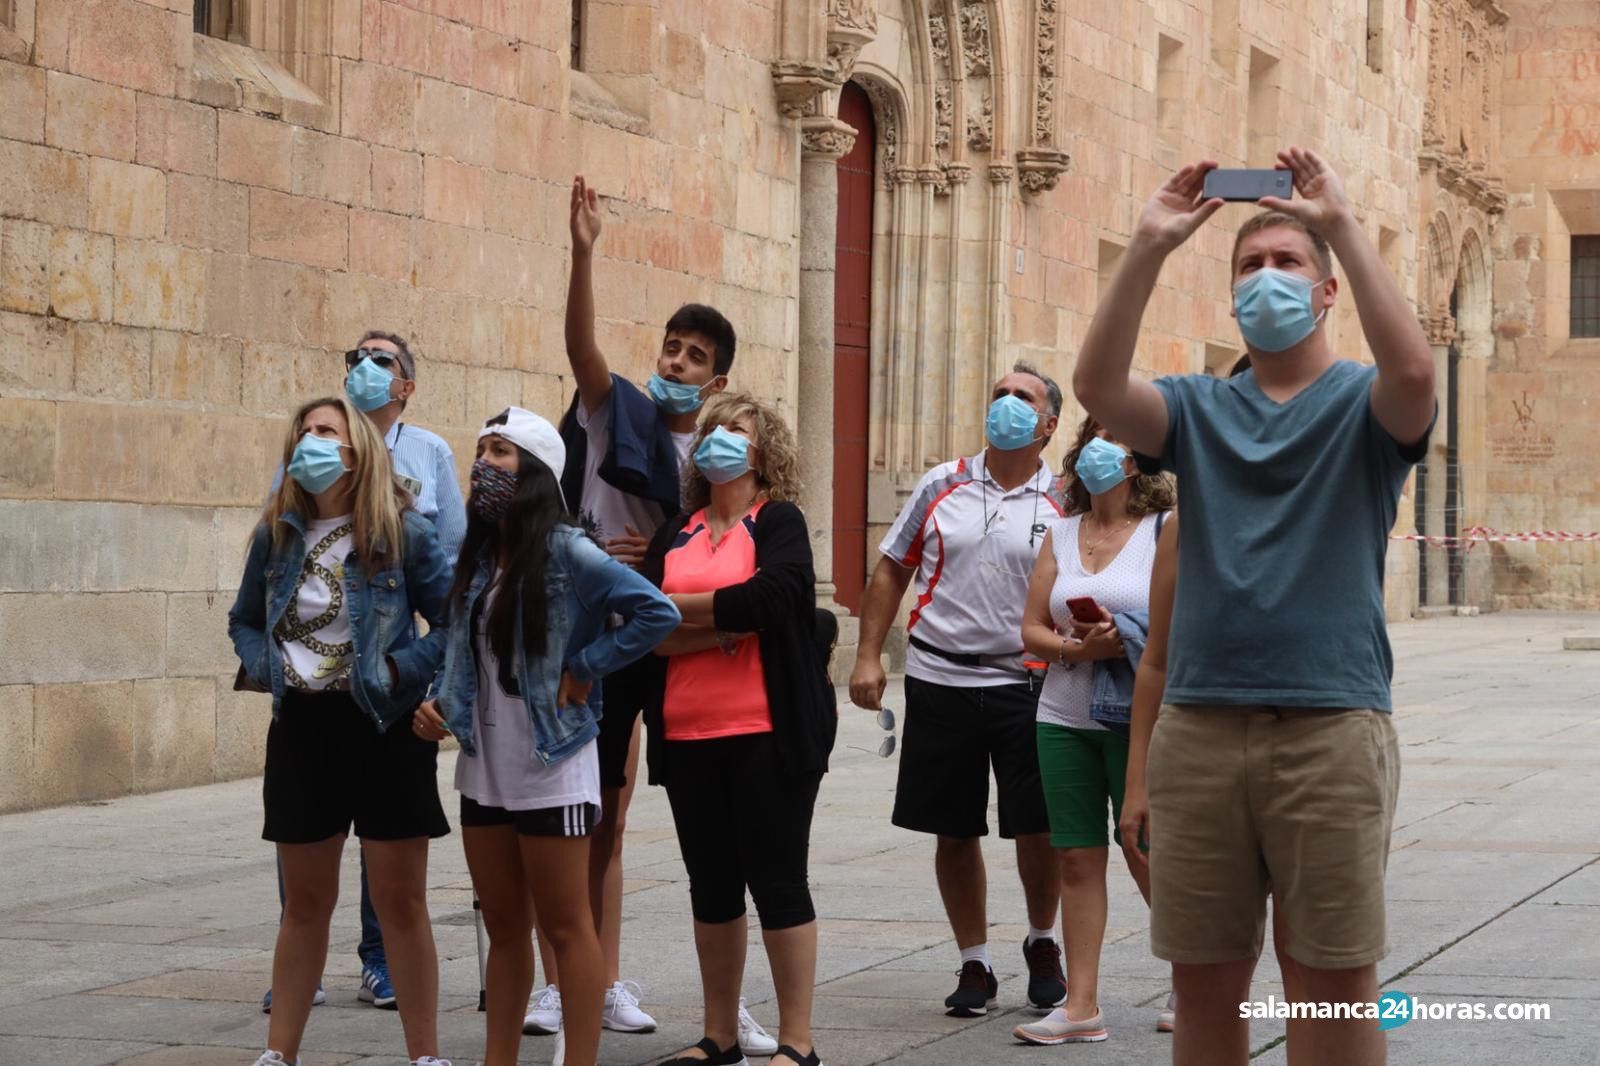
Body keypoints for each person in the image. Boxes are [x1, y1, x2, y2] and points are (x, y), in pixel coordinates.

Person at [1073, 148, 1435, 1066]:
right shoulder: (1197, 409)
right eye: (1248, 266)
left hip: (1331, 726)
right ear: (1229, 293)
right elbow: (1098, 392)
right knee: (1203, 989)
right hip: (1201, 730)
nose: (1266, 278)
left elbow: (1419, 379)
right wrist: (1150, 246)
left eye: (1287, 264)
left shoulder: (1362, 404)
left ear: (1325, 294)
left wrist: (1344, 226)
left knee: (1333, 991)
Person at [546, 174, 775, 1052]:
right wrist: (584, 253)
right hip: (606, 633)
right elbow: (583, 352)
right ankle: (581, 979)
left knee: (704, 823)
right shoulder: (621, 415)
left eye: (690, 355)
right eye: (669, 348)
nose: (673, 362)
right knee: (591, 807)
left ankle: (726, 1003)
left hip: (680, 641)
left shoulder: (728, 449)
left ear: (718, 375)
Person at [411, 407, 680, 1066]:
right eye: (480, 452)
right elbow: (461, 650)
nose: (483, 466)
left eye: (499, 452)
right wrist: (439, 703)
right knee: (504, 928)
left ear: (534, 471)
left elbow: (656, 611)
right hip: (484, 766)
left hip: (552, 761)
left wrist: (585, 669)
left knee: (565, 926)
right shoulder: (476, 563)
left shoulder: (568, 549)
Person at [228, 396, 455, 1066]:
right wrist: (268, 662)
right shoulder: (277, 534)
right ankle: (280, 1054)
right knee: (305, 904)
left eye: (325, 431)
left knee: (400, 902)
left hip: (384, 724)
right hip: (302, 725)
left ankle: (425, 1055)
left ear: (357, 448)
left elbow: (450, 624)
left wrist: (400, 671)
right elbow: (243, 618)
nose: (310, 440)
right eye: (303, 431)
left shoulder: (400, 532)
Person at [849, 364, 1069, 1018]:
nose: (1005, 403)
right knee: (952, 827)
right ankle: (974, 961)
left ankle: (1042, 942)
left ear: (1048, 424)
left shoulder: (1063, 498)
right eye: (998, 392)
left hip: (1026, 680)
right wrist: (867, 655)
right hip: (941, 675)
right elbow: (893, 566)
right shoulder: (941, 483)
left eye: (1022, 397)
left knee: (1038, 826)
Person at [261, 331, 466, 1015]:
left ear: (405, 383)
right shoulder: (296, 485)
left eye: (382, 360)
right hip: (308, 712)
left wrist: (416, 678)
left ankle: (382, 966)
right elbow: (266, 580)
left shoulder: (428, 458)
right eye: (357, 357)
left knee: (394, 879)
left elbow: (449, 592)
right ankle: (300, 975)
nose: (364, 369)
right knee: (306, 872)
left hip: (383, 704)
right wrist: (265, 660)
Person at [639, 393, 838, 1066]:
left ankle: (797, 1042)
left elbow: (776, 599)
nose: (719, 440)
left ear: (763, 452)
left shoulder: (777, 520)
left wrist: (681, 611)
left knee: (779, 880)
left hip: (767, 733)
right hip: (689, 735)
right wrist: (723, 626)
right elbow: (643, 627)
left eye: (736, 431)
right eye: (712, 429)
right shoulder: (678, 530)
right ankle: (719, 1035)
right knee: (711, 885)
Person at [1011, 419, 1175, 1046]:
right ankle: (1080, 1005)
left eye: (1117, 440)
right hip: (1063, 714)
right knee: (1076, 857)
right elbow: (1030, 627)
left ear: (1136, 462)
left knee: (1145, 850)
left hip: (1138, 716)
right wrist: (1076, 651)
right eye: (1095, 437)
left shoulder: (1163, 531)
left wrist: (1121, 634)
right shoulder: (1061, 531)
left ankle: (1195, 981)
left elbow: (1175, 624)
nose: (1100, 451)